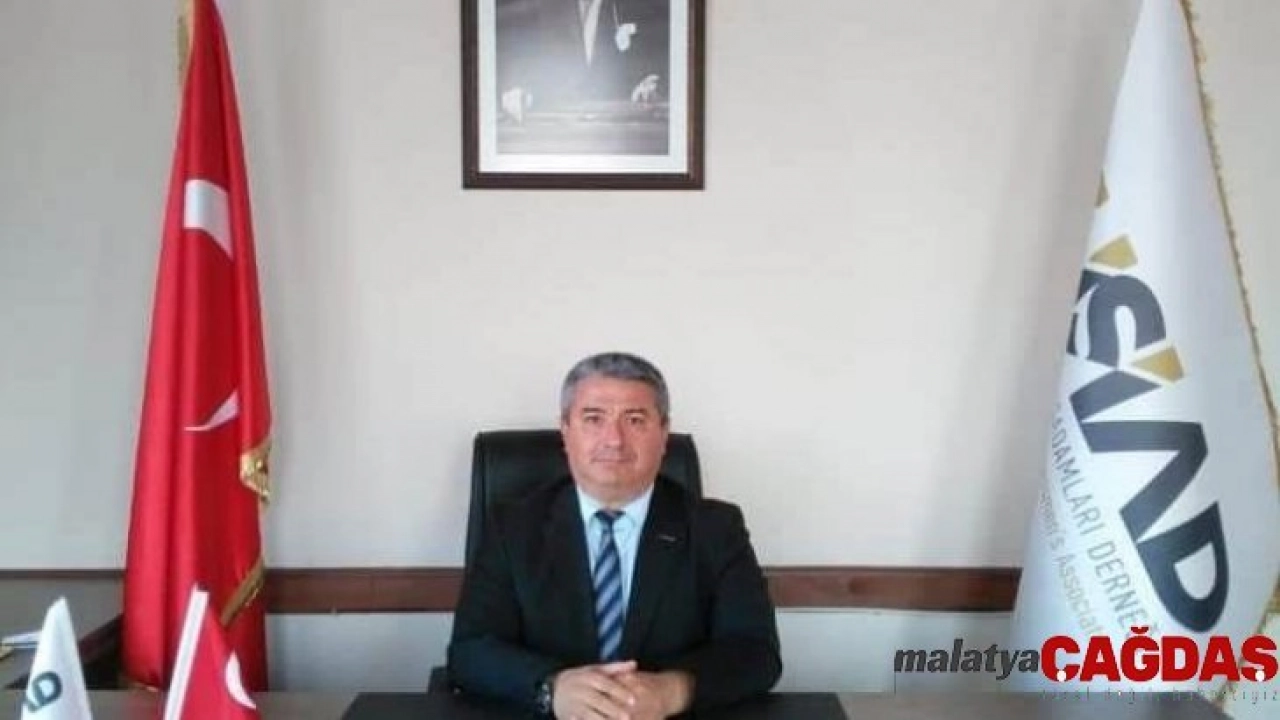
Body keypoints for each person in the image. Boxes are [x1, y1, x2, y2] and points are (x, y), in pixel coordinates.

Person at [448, 352, 782, 718]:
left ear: (663, 433)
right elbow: (470, 650)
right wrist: (550, 687)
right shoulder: (512, 527)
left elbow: (756, 652)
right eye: (594, 419)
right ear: (565, 431)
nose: (614, 440)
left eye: (635, 420)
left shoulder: (716, 529)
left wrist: (673, 690)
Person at [495, 0, 670, 121]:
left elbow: (663, 59)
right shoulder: (538, 6)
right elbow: (513, 53)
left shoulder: (646, 5)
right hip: (555, 129)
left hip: (625, 130)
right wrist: (515, 87)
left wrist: (652, 83)